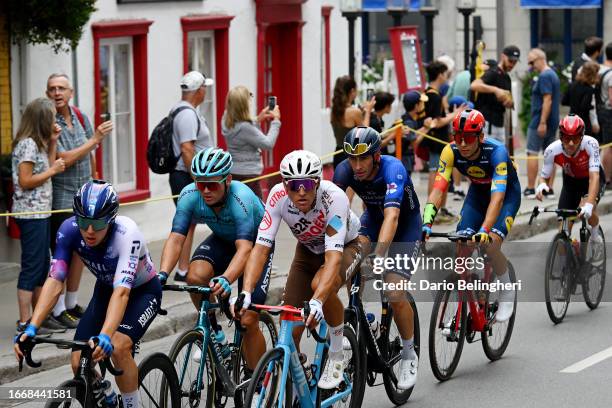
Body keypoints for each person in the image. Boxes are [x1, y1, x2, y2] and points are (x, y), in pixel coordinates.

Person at [15, 180, 161, 408]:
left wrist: (104, 335)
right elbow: (54, 281)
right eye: (83, 222)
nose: (89, 231)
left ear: (111, 220)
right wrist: (32, 327)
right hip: (105, 290)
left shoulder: (127, 233)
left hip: (141, 292)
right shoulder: (68, 231)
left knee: (119, 345)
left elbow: (122, 293)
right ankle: (108, 398)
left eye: (97, 223)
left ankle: (132, 404)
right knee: (78, 362)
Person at [237, 150, 362, 390]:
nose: (301, 191)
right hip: (306, 251)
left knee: (321, 287)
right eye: (294, 185)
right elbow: (261, 249)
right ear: (285, 184)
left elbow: (333, 258)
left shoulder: (334, 198)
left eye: (307, 184)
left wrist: (316, 301)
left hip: (346, 245)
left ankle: (337, 352)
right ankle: (297, 386)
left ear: (317, 182)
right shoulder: (277, 196)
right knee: (290, 324)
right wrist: (247, 292)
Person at [158, 148, 273, 372]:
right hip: (222, 239)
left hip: (256, 245)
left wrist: (226, 279)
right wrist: (161, 274)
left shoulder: (242, 198)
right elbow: (176, 238)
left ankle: (256, 380)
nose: (206, 191)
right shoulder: (189, 195)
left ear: (228, 180)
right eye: (201, 184)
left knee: (247, 320)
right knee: (195, 276)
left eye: (213, 184)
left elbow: (245, 248)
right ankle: (216, 336)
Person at [333, 126, 421, 390]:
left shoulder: (393, 169)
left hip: (405, 225)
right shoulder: (344, 170)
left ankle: (408, 353)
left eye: (363, 158)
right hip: (373, 219)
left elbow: (393, 217)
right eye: (352, 159)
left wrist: (380, 255)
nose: (357, 166)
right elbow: (337, 207)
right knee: (348, 264)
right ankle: (360, 315)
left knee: (394, 291)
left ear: (376, 156)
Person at [422, 109, 520, 323]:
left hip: (505, 196)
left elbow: (498, 198)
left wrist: (485, 230)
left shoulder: (497, 152)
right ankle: (460, 309)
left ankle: (506, 289)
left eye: (467, 138)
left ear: (480, 137)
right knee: (462, 243)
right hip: (477, 194)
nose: (462, 144)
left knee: (490, 244)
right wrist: (427, 222)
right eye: (458, 138)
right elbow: (438, 190)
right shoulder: (450, 151)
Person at [46, 73, 113, 329]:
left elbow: (89, 153)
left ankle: (72, 302)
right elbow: (63, 158)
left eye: (61, 88)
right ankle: (59, 306)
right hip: (63, 194)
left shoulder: (79, 116)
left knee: (81, 251)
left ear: (70, 92)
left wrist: (96, 179)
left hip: (85, 194)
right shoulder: (49, 122)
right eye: (52, 89)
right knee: (63, 251)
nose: (57, 93)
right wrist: (94, 139)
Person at [12, 97, 66, 335]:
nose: (55, 120)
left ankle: (38, 317)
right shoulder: (27, 145)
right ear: (43, 119)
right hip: (30, 214)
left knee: (43, 265)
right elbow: (24, 181)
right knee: (32, 267)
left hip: (41, 212)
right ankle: (25, 322)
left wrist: (53, 142)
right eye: (52, 116)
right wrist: (53, 170)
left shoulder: (39, 144)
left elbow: (48, 168)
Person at [169, 71, 214, 282]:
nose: (206, 92)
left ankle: (183, 269)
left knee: (189, 222)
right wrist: (198, 178)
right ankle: (183, 269)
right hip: (186, 175)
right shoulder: (187, 114)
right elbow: (187, 149)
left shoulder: (183, 110)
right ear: (199, 90)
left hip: (186, 174)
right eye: (205, 88)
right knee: (185, 222)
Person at [535, 115, 604, 249]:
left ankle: (595, 235)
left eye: (576, 138)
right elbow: (544, 176)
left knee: (588, 210)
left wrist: (589, 204)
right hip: (571, 183)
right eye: (567, 138)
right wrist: (542, 184)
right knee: (562, 234)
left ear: (582, 136)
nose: (571, 143)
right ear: (561, 137)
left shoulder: (591, 144)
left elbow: (594, 176)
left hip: (590, 180)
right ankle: (572, 250)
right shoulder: (552, 150)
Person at [222, 85, 281, 198]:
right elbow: (268, 144)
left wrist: (257, 119)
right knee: (257, 211)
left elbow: (240, 123)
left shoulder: (226, 120)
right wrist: (276, 121)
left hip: (233, 172)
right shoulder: (245, 128)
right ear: (244, 105)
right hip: (249, 176)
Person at [422, 61, 460, 222]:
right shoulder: (434, 96)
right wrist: (455, 114)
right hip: (437, 140)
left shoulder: (429, 93)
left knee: (441, 174)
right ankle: (433, 212)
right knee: (437, 174)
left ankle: (439, 209)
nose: (447, 76)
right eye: (445, 73)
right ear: (439, 75)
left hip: (436, 140)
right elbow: (436, 122)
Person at [524, 48, 560, 199]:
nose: (531, 66)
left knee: (532, 153)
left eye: (532, 62)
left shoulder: (545, 75)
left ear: (540, 59)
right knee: (550, 154)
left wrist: (542, 122)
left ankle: (531, 188)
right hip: (551, 120)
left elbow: (547, 99)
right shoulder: (552, 74)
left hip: (540, 120)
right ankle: (548, 188)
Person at [470, 45, 520, 143]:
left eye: (515, 62)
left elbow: (510, 101)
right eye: (510, 61)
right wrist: (495, 90)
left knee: (499, 155)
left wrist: (509, 102)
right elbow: (474, 85)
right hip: (487, 122)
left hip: (499, 123)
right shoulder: (493, 72)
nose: (512, 64)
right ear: (503, 57)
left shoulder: (507, 77)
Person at [330, 76, 375, 168]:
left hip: (338, 154)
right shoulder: (354, 112)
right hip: (352, 156)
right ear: (352, 91)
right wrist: (368, 111)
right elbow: (365, 133)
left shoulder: (334, 110)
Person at [564, 61, 601, 138]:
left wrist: (574, 103)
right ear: (592, 75)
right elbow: (584, 107)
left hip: (571, 119)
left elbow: (564, 101)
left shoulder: (572, 85)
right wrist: (591, 106)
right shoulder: (589, 90)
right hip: (583, 123)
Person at [401, 90, 433, 175]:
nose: (423, 105)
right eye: (421, 103)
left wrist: (425, 127)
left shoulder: (407, 118)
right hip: (405, 161)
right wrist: (427, 129)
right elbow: (414, 144)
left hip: (406, 160)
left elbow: (413, 134)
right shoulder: (409, 122)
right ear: (416, 106)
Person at [597, 42, 612, 189]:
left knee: (601, 145)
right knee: (609, 146)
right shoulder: (611, 73)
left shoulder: (599, 69)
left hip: (599, 111)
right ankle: (607, 179)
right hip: (608, 113)